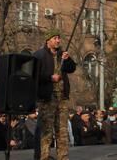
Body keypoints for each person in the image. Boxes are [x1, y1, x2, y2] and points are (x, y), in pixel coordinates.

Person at [33, 28, 76, 160]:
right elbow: (34, 75)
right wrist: (50, 78)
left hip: (62, 98)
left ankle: (63, 157)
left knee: (62, 131)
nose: (58, 41)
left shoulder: (62, 54)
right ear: (48, 40)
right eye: (55, 38)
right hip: (47, 98)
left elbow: (72, 68)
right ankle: (43, 157)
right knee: (46, 131)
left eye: (59, 38)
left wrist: (68, 60)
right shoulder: (39, 55)